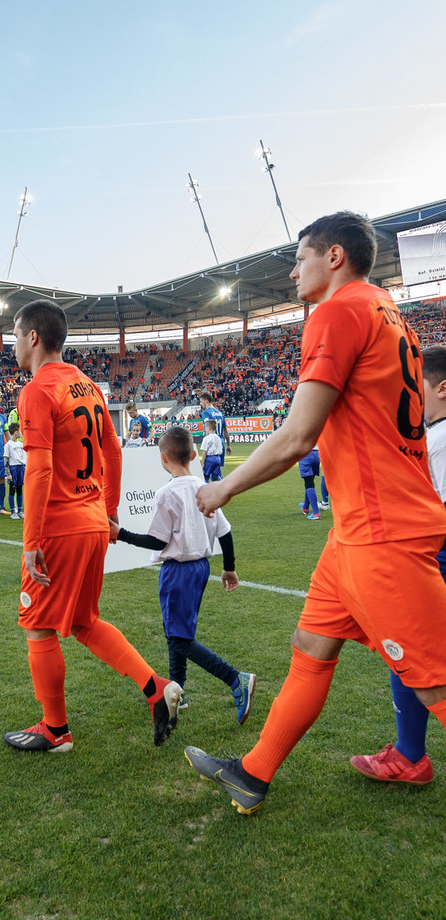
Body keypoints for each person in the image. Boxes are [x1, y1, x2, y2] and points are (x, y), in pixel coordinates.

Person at [184, 211, 446, 816]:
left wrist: (223, 489)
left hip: (381, 532)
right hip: (358, 528)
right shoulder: (386, 309)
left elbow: (299, 435)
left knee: (435, 680)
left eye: (300, 256)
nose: (292, 269)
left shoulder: (339, 309)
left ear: (334, 257)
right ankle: (252, 773)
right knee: (312, 644)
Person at [3, 299, 182, 754]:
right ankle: (156, 689)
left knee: (38, 625)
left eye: (15, 335)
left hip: (60, 527)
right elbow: (114, 453)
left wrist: (31, 541)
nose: (13, 344)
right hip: (92, 522)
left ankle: (55, 730)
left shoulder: (37, 390)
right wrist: (111, 510)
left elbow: (40, 471)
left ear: (34, 338)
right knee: (84, 621)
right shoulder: (87, 386)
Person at [349, 343, 446, 786]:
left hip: (432, 558)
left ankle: (410, 755)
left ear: (441, 389)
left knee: (408, 653)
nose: (411, 394)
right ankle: (409, 753)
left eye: (419, 387)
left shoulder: (437, 440)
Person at [110, 426, 255, 721]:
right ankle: (179, 690)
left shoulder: (167, 493)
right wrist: (229, 567)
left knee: (178, 638)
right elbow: (225, 533)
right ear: (192, 454)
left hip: (178, 571)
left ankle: (235, 679)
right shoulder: (204, 487)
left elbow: (157, 541)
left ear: (163, 458)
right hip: (201, 567)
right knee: (175, 632)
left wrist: (120, 533)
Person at [199, 390, 231, 470]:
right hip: (221, 443)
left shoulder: (205, 413)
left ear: (206, 401)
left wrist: (206, 443)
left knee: (207, 470)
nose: (201, 404)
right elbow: (225, 431)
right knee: (217, 471)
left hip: (212, 444)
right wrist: (228, 445)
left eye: (201, 401)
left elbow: (208, 428)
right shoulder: (220, 413)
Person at [3, 422, 26, 519]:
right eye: (20, 431)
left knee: (20, 489)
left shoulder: (21, 444)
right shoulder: (8, 445)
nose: (21, 433)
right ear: (16, 432)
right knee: (12, 489)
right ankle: (13, 512)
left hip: (21, 468)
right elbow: (6, 460)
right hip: (13, 468)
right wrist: (8, 473)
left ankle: (20, 510)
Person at [297, 445, 322, 520]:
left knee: (309, 484)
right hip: (317, 454)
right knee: (310, 482)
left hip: (305, 454)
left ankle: (316, 513)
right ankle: (305, 507)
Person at [200, 418, 224, 483]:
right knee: (215, 477)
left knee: (205, 476)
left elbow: (204, 452)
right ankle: (220, 489)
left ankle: (205, 490)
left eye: (205, 427)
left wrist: (202, 464)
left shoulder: (207, 438)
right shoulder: (218, 438)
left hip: (210, 458)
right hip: (217, 458)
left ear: (209, 428)